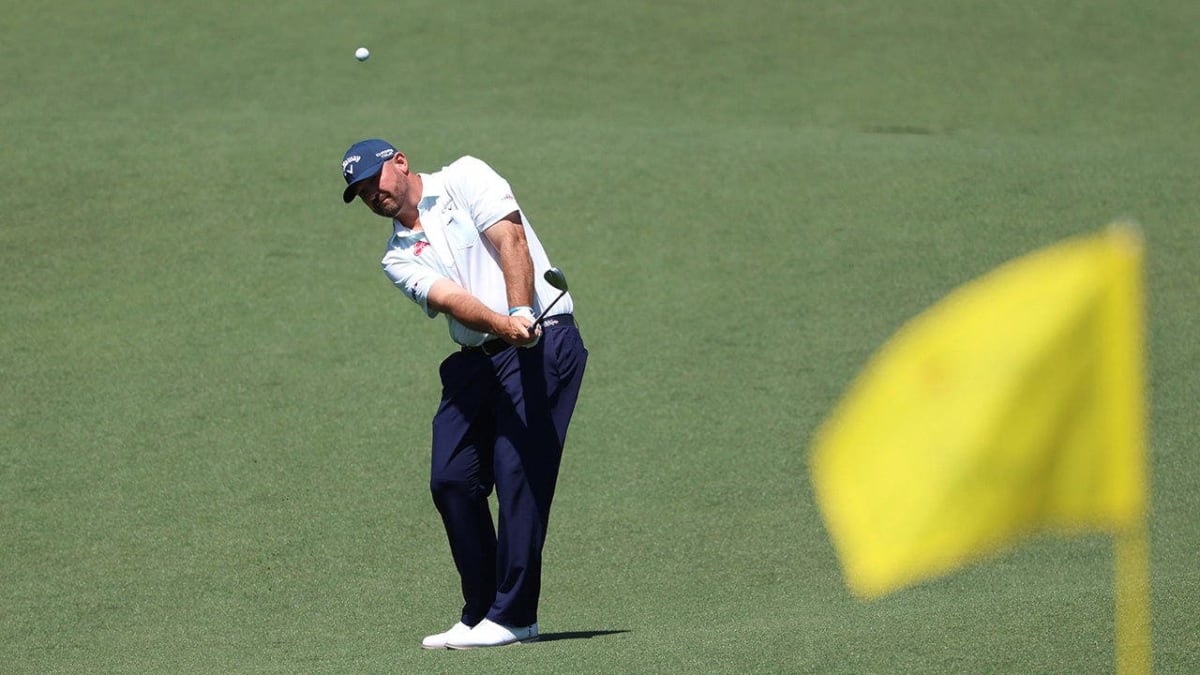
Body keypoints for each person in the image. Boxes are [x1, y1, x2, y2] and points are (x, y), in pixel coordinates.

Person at [338, 139, 588, 649]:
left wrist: (520, 313)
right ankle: (481, 612)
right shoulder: (396, 256)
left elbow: (510, 238)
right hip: (479, 358)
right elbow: (450, 298)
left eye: (373, 180)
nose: (371, 194)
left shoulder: (465, 177)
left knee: (518, 474)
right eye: (360, 192)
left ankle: (515, 616)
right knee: (451, 478)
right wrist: (502, 323)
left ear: (400, 162)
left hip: (543, 342)